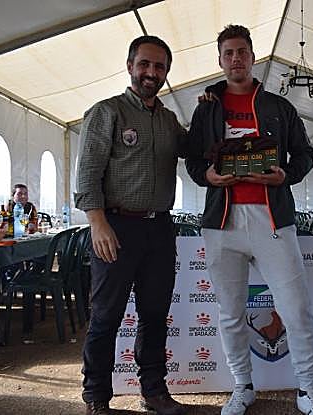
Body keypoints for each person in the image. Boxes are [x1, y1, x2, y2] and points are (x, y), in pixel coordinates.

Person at [185, 25, 313, 415]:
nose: (236, 58)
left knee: (295, 308)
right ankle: (242, 386)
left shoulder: (279, 108)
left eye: (242, 52)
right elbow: (194, 160)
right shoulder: (206, 107)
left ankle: (307, 390)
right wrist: (208, 176)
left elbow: (305, 155)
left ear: (252, 57)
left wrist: (286, 175)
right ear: (220, 59)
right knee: (230, 312)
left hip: (273, 220)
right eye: (228, 53)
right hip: (222, 223)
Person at [75, 35, 188, 415]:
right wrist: (98, 223)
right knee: (106, 316)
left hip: (160, 230)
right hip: (115, 228)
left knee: (154, 316)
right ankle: (96, 396)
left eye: (159, 66)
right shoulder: (106, 112)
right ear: (130, 67)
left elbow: (196, 149)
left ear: (166, 72)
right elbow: (87, 175)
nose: (151, 72)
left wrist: (211, 106)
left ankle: (153, 391)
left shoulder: (169, 121)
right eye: (145, 64)